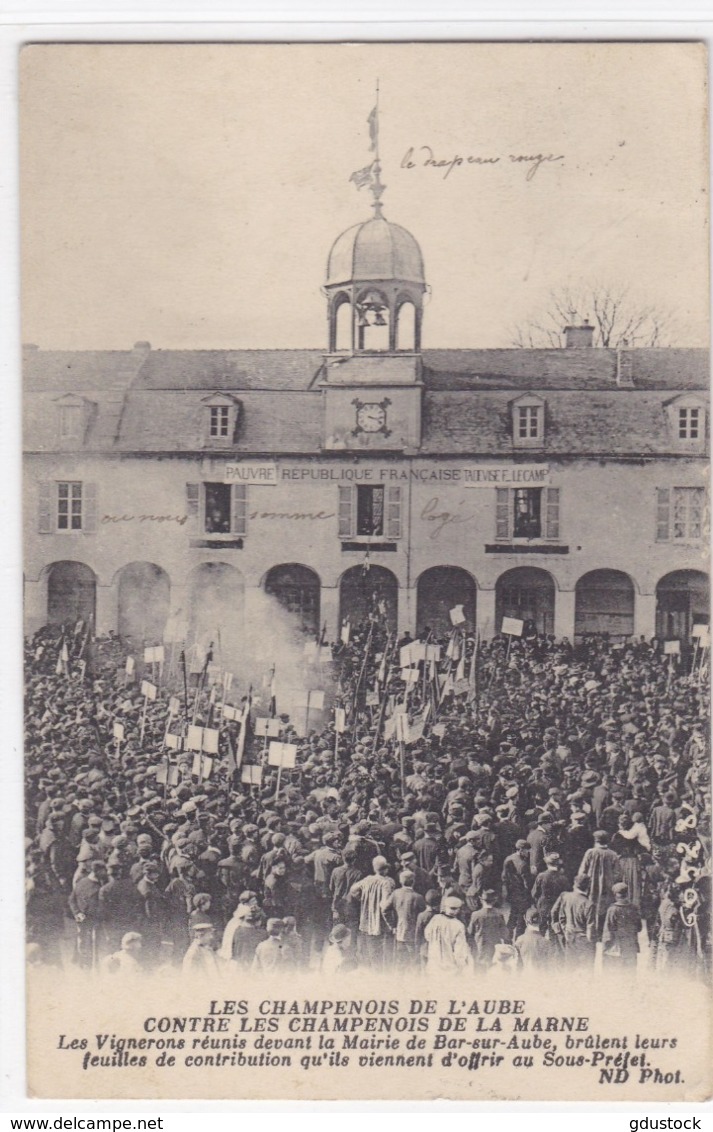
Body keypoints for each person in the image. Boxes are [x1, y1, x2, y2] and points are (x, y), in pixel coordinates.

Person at [349, 856, 395, 968]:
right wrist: (391, 924)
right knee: (379, 953)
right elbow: (384, 905)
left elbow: (353, 889)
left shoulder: (367, 879)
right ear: (386, 869)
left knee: (367, 950)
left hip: (366, 918)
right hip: (379, 921)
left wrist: (362, 899)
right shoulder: (386, 883)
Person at [381, 869, 426, 967]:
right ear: (413, 881)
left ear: (400, 881)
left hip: (400, 933)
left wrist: (392, 926)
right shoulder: (418, 897)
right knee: (414, 963)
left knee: (400, 962)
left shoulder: (396, 894)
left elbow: (384, 910)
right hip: (414, 935)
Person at [550, 875, 596, 967]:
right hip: (583, 940)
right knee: (586, 969)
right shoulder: (589, 904)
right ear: (588, 886)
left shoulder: (566, 896)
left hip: (569, 936)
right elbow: (590, 927)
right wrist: (590, 943)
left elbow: (556, 913)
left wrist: (562, 929)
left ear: (574, 884)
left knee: (570, 967)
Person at [423, 893, 472, 974]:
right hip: (449, 968)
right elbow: (459, 951)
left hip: (433, 965)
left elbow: (427, 935)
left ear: (445, 907)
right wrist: (461, 967)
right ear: (458, 910)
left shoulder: (435, 919)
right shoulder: (459, 925)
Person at [602, 882, 643, 969]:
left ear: (615, 895)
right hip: (631, 946)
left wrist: (605, 946)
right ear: (627, 894)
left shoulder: (612, 909)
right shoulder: (634, 908)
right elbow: (639, 928)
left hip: (617, 947)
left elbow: (608, 930)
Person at [468, 889, 509, 968]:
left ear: (481, 900)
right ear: (494, 901)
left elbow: (470, 932)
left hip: (479, 947)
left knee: (479, 968)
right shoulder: (499, 914)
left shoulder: (475, 915)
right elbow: (505, 934)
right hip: (494, 947)